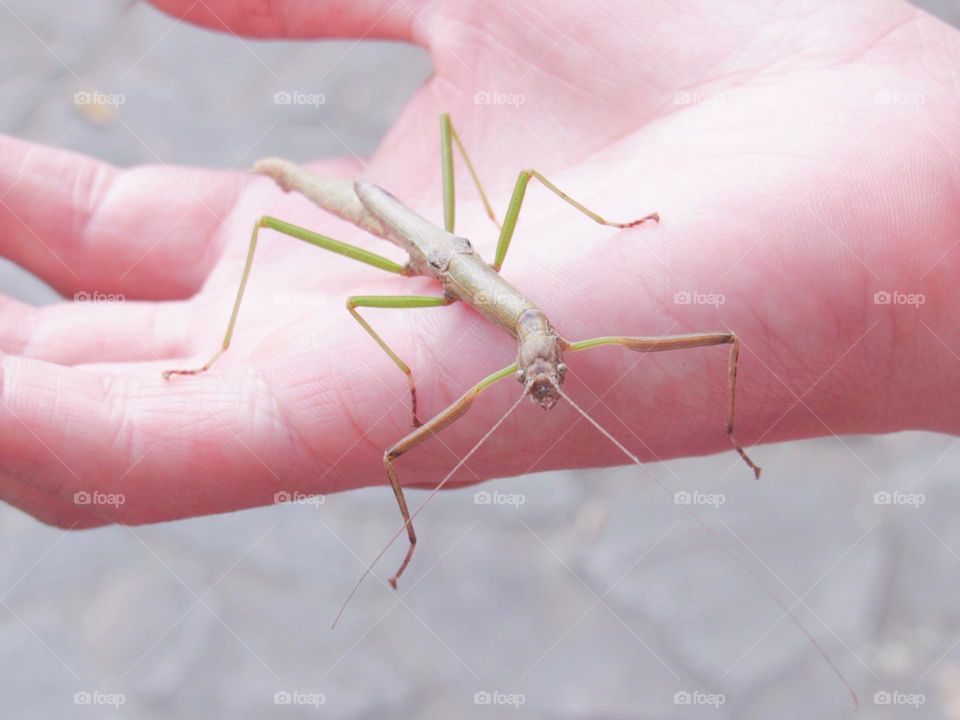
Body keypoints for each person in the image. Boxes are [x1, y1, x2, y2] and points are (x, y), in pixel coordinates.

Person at [0, 0, 957, 530]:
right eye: (541, 360)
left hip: (452, 251)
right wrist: (413, 372)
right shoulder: (451, 292)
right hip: (401, 234)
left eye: (537, 363)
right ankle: (274, 208)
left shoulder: (543, 336)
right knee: (270, 224)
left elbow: (683, 336)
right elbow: (396, 323)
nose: (541, 373)